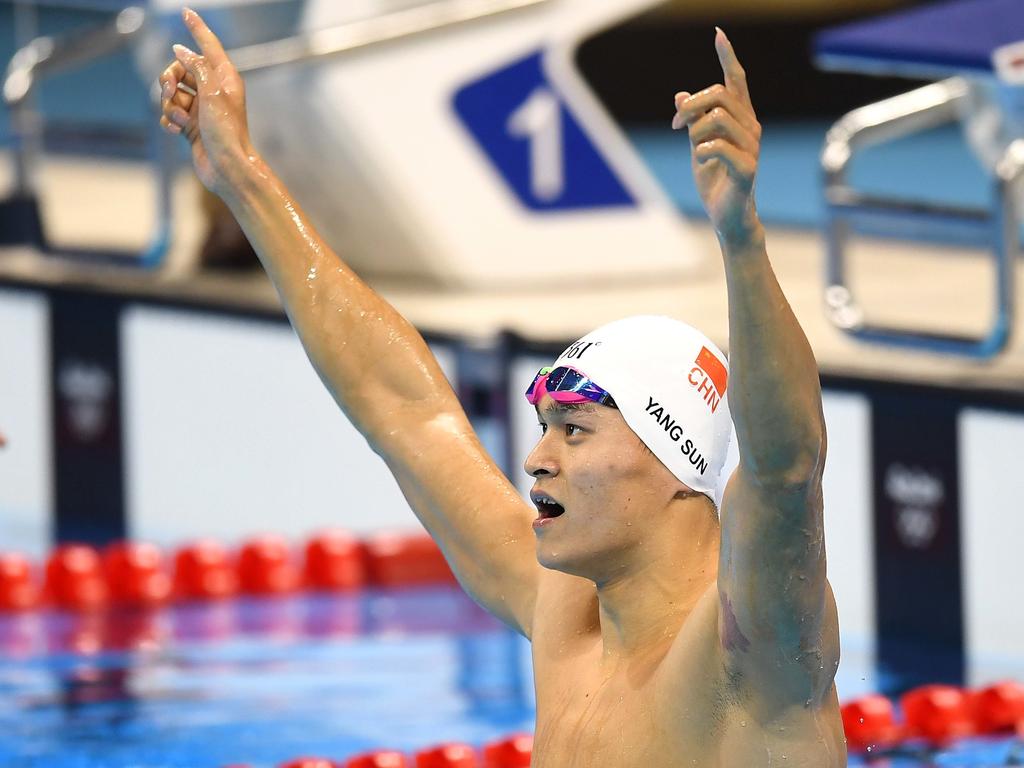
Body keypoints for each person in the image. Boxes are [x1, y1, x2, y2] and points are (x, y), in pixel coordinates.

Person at [160, 9, 845, 765]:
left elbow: (786, 467)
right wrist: (242, 176)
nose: (536, 460)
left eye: (574, 430)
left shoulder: (754, 645)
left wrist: (741, 237)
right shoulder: (565, 615)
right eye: (548, 426)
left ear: (672, 461)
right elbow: (406, 413)